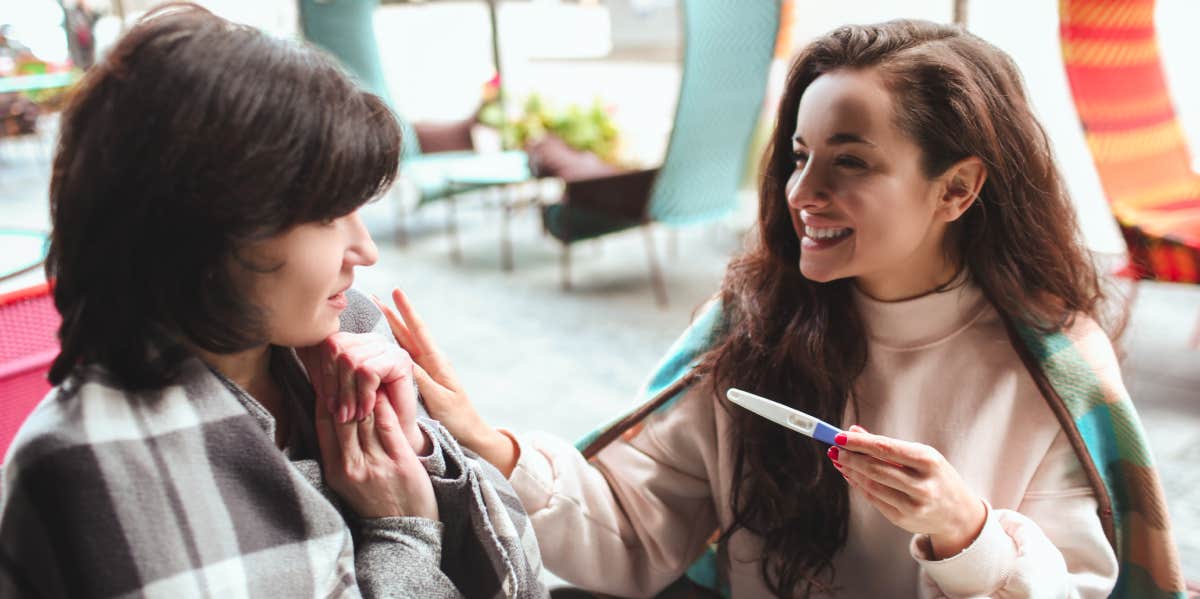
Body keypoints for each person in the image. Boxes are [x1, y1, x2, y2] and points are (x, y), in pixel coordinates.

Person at [354, 20, 1185, 599]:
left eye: (849, 161)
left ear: (958, 188)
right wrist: (488, 443)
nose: (802, 193)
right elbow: (635, 530)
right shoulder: (750, 323)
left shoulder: (1050, 364)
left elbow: (1079, 582)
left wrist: (966, 532)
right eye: (798, 154)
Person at [0, 5, 544, 598]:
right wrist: (401, 533)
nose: (364, 251)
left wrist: (419, 450)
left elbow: (519, 564)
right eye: (327, 215)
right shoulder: (88, 472)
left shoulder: (345, 331)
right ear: (202, 228)